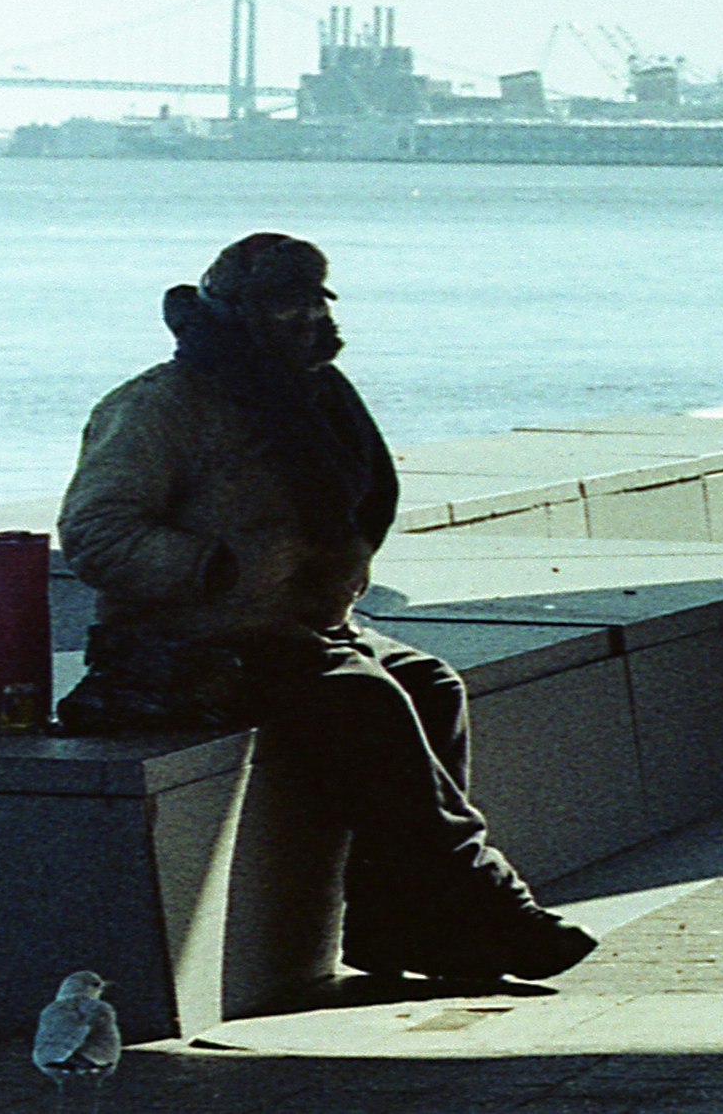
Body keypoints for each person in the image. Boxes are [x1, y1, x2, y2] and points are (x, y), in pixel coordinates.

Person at [56, 232, 596, 987]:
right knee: (363, 699)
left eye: (314, 301)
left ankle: (396, 926)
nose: (306, 318)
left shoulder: (317, 391)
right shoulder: (160, 404)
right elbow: (94, 530)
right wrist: (213, 569)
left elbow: (363, 497)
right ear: (237, 312)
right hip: (184, 637)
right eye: (286, 305)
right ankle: (485, 899)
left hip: (298, 624)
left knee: (432, 684)